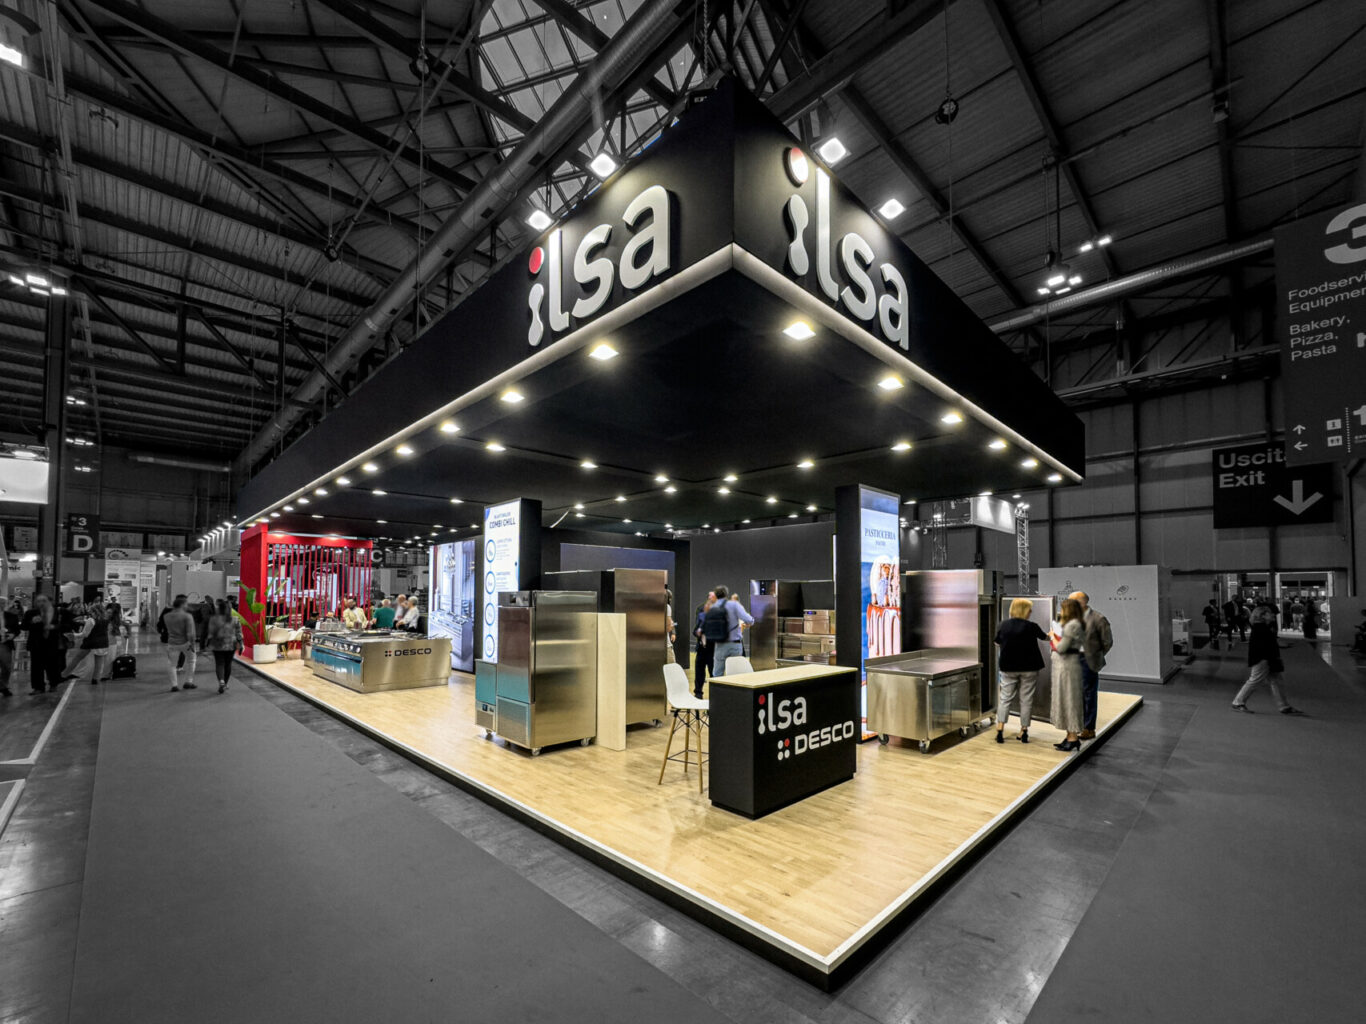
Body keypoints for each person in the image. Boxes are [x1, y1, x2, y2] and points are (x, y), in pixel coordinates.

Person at [994, 598, 1048, 744]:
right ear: (1025, 611)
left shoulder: (1003, 625)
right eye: (1029, 610)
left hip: (1008, 667)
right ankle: (1023, 732)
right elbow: (1046, 638)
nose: (1031, 612)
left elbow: (996, 642)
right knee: (1026, 700)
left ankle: (1000, 730)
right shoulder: (1032, 626)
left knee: (1005, 698)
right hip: (1029, 668)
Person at [1232, 602, 1302, 714]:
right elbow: (1264, 645)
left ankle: (1284, 706)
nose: (1273, 615)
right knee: (1256, 680)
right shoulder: (1261, 628)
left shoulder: (1261, 627)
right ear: (1262, 615)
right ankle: (1238, 702)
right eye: (1270, 613)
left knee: (1275, 681)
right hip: (1263, 659)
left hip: (1265, 658)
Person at [1069, 590, 1114, 740]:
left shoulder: (1098, 619)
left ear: (1082, 602)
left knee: (1088, 694)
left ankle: (1089, 728)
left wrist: (1094, 657)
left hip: (1087, 661)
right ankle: (1079, 723)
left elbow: (1107, 642)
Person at [1051, 597, 1086, 751]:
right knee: (1066, 700)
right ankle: (1069, 736)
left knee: (1070, 701)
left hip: (1067, 668)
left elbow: (1061, 648)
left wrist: (1053, 636)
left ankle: (1073, 738)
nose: (1061, 611)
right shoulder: (1074, 624)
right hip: (1066, 667)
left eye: (1063, 608)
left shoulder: (1072, 625)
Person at [704, 585, 752, 677]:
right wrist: (751, 622)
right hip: (735, 644)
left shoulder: (712, 607)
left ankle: (717, 691)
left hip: (719, 644)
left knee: (717, 673)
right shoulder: (734, 605)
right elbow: (748, 619)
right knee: (736, 673)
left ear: (716, 595)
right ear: (726, 594)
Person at [22, 595, 64, 694]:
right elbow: (24, 626)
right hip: (36, 643)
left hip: (51, 643)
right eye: (39, 601)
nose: (41, 603)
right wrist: (31, 622)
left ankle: (53, 684)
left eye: (43, 601)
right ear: (35, 602)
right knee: (36, 666)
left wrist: (53, 626)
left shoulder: (55, 612)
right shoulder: (30, 613)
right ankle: (38, 687)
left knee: (52, 665)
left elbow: (63, 625)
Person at [205, 599, 244, 694]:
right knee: (228, 664)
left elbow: (210, 633)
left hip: (217, 644)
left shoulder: (214, 619)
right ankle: (225, 683)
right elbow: (239, 634)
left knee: (219, 663)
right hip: (231, 644)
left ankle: (221, 681)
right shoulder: (235, 619)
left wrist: (207, 643)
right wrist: (241, 644)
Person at [163, 595, 198, 692]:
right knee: (191, 661)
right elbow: (190, 633)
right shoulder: (187, 616)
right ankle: (188, 682)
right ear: (182, 605)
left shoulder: (166, 616)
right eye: (186, 604)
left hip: (172, 643)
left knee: (172, 664)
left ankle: (174, 685)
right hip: (185, 642)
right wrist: (192, 644)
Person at [76, 603, 114, 685]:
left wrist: (74, 635)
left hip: (93, 643)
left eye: (91, 611)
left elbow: (85, 634)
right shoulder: (106, 620)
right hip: (104, 643)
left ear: (94, 611)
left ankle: (86, 677)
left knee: (88, 662)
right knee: (99, 663)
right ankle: (95, 679)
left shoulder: (91, 620)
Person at [692, 591, 716, 699]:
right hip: (701, 647)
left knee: (714, 674)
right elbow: (695, 630)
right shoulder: (701, 609)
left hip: (714, 649)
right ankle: (698, 695)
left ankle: (715, 698)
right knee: (699, 673)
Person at [0, 598, 20, 697]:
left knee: (7, 667)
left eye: (4, 603)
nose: (2, 604)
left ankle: (3, 686)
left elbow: (17, 630)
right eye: (0, 603)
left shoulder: (12, 616)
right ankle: (3, 687)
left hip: (5, 643)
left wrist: (13, 635)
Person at [664, 587, 676, 665]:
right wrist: (671, 626)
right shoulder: (667, 607)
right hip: (666, 644)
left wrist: (674, 632)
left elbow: (673, 622)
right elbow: (669, 625)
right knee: (672, 665)